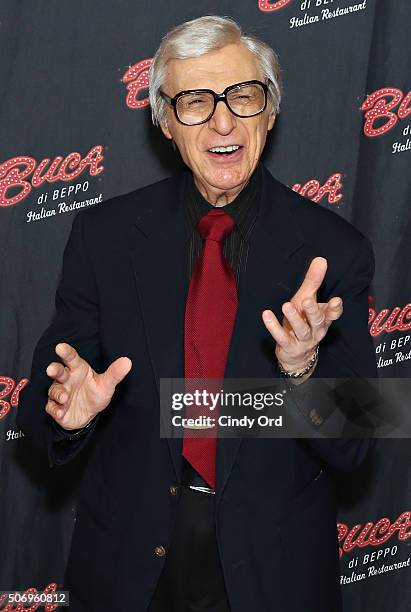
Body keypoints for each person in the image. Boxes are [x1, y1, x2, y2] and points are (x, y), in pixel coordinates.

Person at [17, 15, 377, 612]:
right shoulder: (104, 238)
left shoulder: (334, 250)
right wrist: (69, 415)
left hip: (274, 571)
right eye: (194, 102)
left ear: (271, 109)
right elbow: (42, 410)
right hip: (128, 565)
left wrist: (303, 371)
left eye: (242, 95)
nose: (223, 120)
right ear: (163, 120)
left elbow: (361, 443)